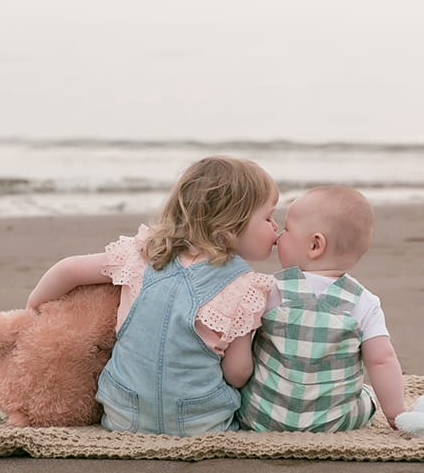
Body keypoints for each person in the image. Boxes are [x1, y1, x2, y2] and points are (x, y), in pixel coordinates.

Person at [26, 156, 278, 436]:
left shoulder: (142, 255)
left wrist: (34, 306)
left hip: (123, 415)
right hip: (202, 424)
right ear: (231, 223)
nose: (275, 227)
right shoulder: (243, 287)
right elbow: (238, 372)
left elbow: (69, 269)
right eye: (268, 217)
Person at [237, 186, 406, 432]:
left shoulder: (270, 290)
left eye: (286, 230)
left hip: (261, 415)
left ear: (315, 245)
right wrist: (395, 413)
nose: (277, 238)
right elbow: (382, 360)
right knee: (367, 396)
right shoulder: (364, 302)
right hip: (332, 422)